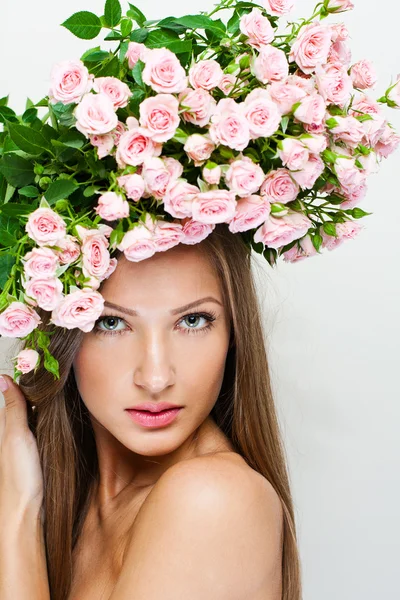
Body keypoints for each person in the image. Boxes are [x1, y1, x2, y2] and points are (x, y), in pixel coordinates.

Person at [0, 224, 302, 599]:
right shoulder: (79, 496)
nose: (156, 378)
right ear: (62, 336)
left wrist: (16, 516)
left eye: (192, 320)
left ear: (234, 334)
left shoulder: (211, 498)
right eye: (111, 323)